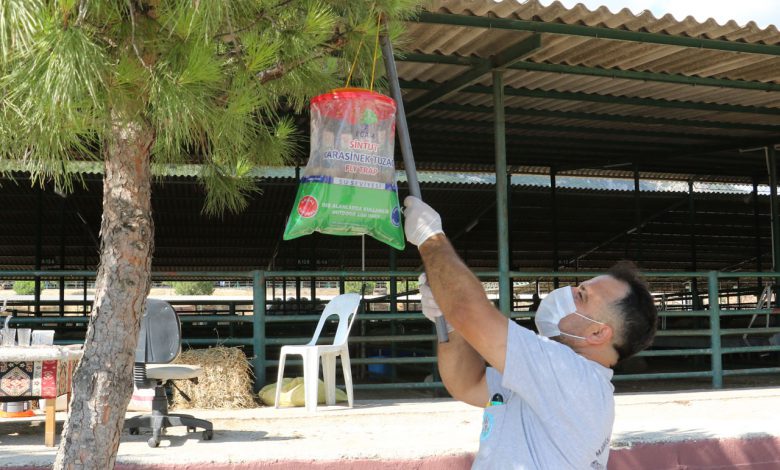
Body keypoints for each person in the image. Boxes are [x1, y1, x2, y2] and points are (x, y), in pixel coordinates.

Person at [403, 196, 658, 470]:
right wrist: (450, 325)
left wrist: (430, 237)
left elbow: (470, 310)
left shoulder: (572, 376)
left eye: (581, 295)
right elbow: (468, 384)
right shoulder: (551, 378)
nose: (568, 292)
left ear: (597, 333)